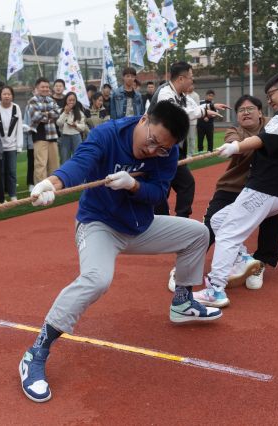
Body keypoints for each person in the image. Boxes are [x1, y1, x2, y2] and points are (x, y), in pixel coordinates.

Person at [18, 101, 221, 403]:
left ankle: (182, 302)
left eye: (162, 148)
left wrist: (133, 187)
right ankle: (36, 352)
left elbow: (158, 192)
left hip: (140, 226)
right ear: (144, 120)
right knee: (98, 279)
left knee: (198, 234)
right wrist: (52, 182)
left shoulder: (168, 152)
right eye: (152, 141)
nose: (153, 151)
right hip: (99, 224)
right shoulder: (107, 135)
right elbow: (80, 164)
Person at [194, 71, 278, 308]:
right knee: (218, 221)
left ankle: (215, 289)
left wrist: (235, 147)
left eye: (271, 95)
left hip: (263, 189)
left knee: (227, 234)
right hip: (276, 194)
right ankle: (245, 258)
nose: (270, 101)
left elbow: (261, 140)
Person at [195, 95, 278, 291]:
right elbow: (238, 148)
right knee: (211, 222)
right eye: (241, 111)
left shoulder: (273, 125)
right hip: (233, 186)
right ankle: (189, 264)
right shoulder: (234, 131)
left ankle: (259, 264)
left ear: (260, 112)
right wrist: (237, 146)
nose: (246, 113)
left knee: (277, 216)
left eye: (250, 109)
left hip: (265, 188)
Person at [148, 61, 224, 219]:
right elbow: (177, 113)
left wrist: (211, 107)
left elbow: (194, 106)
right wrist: (204, 110)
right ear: (181, 79)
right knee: (163, 186)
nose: (192, 80)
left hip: (173, 148)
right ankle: (159, 220)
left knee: (186, 182)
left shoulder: (182, 96)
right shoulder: (165, 93)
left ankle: (182, 218)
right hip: (156, 148)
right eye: (191, 77)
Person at [28, 78, 60, 184]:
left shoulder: (52, 100)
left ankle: (53, 187)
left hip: (52, 135)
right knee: (41, 164)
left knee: (54, 164)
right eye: (43, 87)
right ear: (37, 88)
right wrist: (49, 114)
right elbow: (36, 117)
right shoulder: (33, 100)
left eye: (47, 87)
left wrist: (45, 114)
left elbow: (57, 113)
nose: (45, 89)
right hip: (39, 136)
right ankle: (40, 189)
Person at [0, 86, 23, 201]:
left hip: (12, 146)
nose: (7, 96)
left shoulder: (16, 108)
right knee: (0, 172)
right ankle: (1, 196)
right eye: (4, 94)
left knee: (11, 171)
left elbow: (19, 128)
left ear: (12, 96)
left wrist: (19, 146)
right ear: (0, 95)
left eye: (9, 94)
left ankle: (12, 195)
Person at [56, 92, 87, 164]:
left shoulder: (79, 112)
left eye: (73, 100)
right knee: (64, 158)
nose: (71, 102)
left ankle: (77, 174)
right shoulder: (61, 111)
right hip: (64, 136)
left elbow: (83, 127)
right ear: (66, 100)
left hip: (76, 136)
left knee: (78, 158)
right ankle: (64, 175)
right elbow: (59, 123)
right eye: (69, 100)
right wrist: (65, 112)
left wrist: (76, 125)